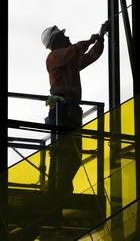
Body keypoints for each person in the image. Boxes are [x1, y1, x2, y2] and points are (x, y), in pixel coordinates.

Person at [41, 22, 109, 197]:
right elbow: (74, 51)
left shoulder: (68, 61)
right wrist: (90, 39)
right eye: (63, 36)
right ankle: (57, 190)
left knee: (73, 155)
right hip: (60, 112)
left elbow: (90, 56)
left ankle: (61, 188)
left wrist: (100, 38)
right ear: (55, 41)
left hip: (69, 112)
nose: (68, 37)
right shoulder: (54, 57)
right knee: (62, 153)